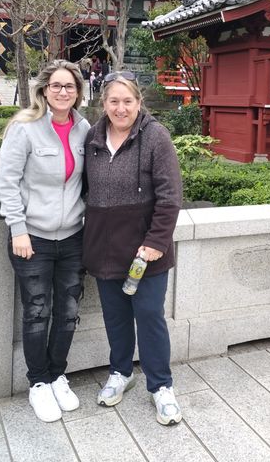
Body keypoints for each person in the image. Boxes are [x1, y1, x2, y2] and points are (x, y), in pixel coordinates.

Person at [82, 71, 184, 426]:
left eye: (128, 101)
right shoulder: (92, 137)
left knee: (149, 316)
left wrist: (156, 242)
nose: (121, 108)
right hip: (104, 244)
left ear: (139, 103)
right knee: (115, 316)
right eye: (113, 101)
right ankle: (120, 371)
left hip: (145, 249)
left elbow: (170, 197)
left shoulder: (155, 136)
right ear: (103, 103)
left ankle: (160, 385)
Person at [0, 60, 90, 422]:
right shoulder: (25, 128)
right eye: (57, 86)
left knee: (68, 311)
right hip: (31, 237)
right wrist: (17, 229)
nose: (63, 92)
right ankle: (38, 382)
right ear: (44, 90)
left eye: (70, 86)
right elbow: (8, 182)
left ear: (79, 92)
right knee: (37, 311)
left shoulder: (85, 130)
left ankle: (57, 375)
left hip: (73, 237)